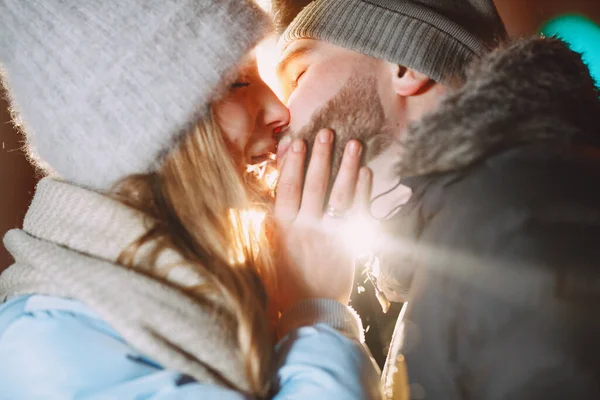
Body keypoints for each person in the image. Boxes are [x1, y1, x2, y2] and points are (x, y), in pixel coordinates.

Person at [0, 1, 381, 399]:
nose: (279, 110)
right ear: (143, 128)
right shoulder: (54, 350)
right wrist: (316, 312)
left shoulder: (209, 294)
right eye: (237, 82)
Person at [274, 0, 600, 398]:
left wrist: (317, 320)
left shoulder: (518, 224)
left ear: (404, 68)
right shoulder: (472, 227)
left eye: (299, 74)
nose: (279, 114)